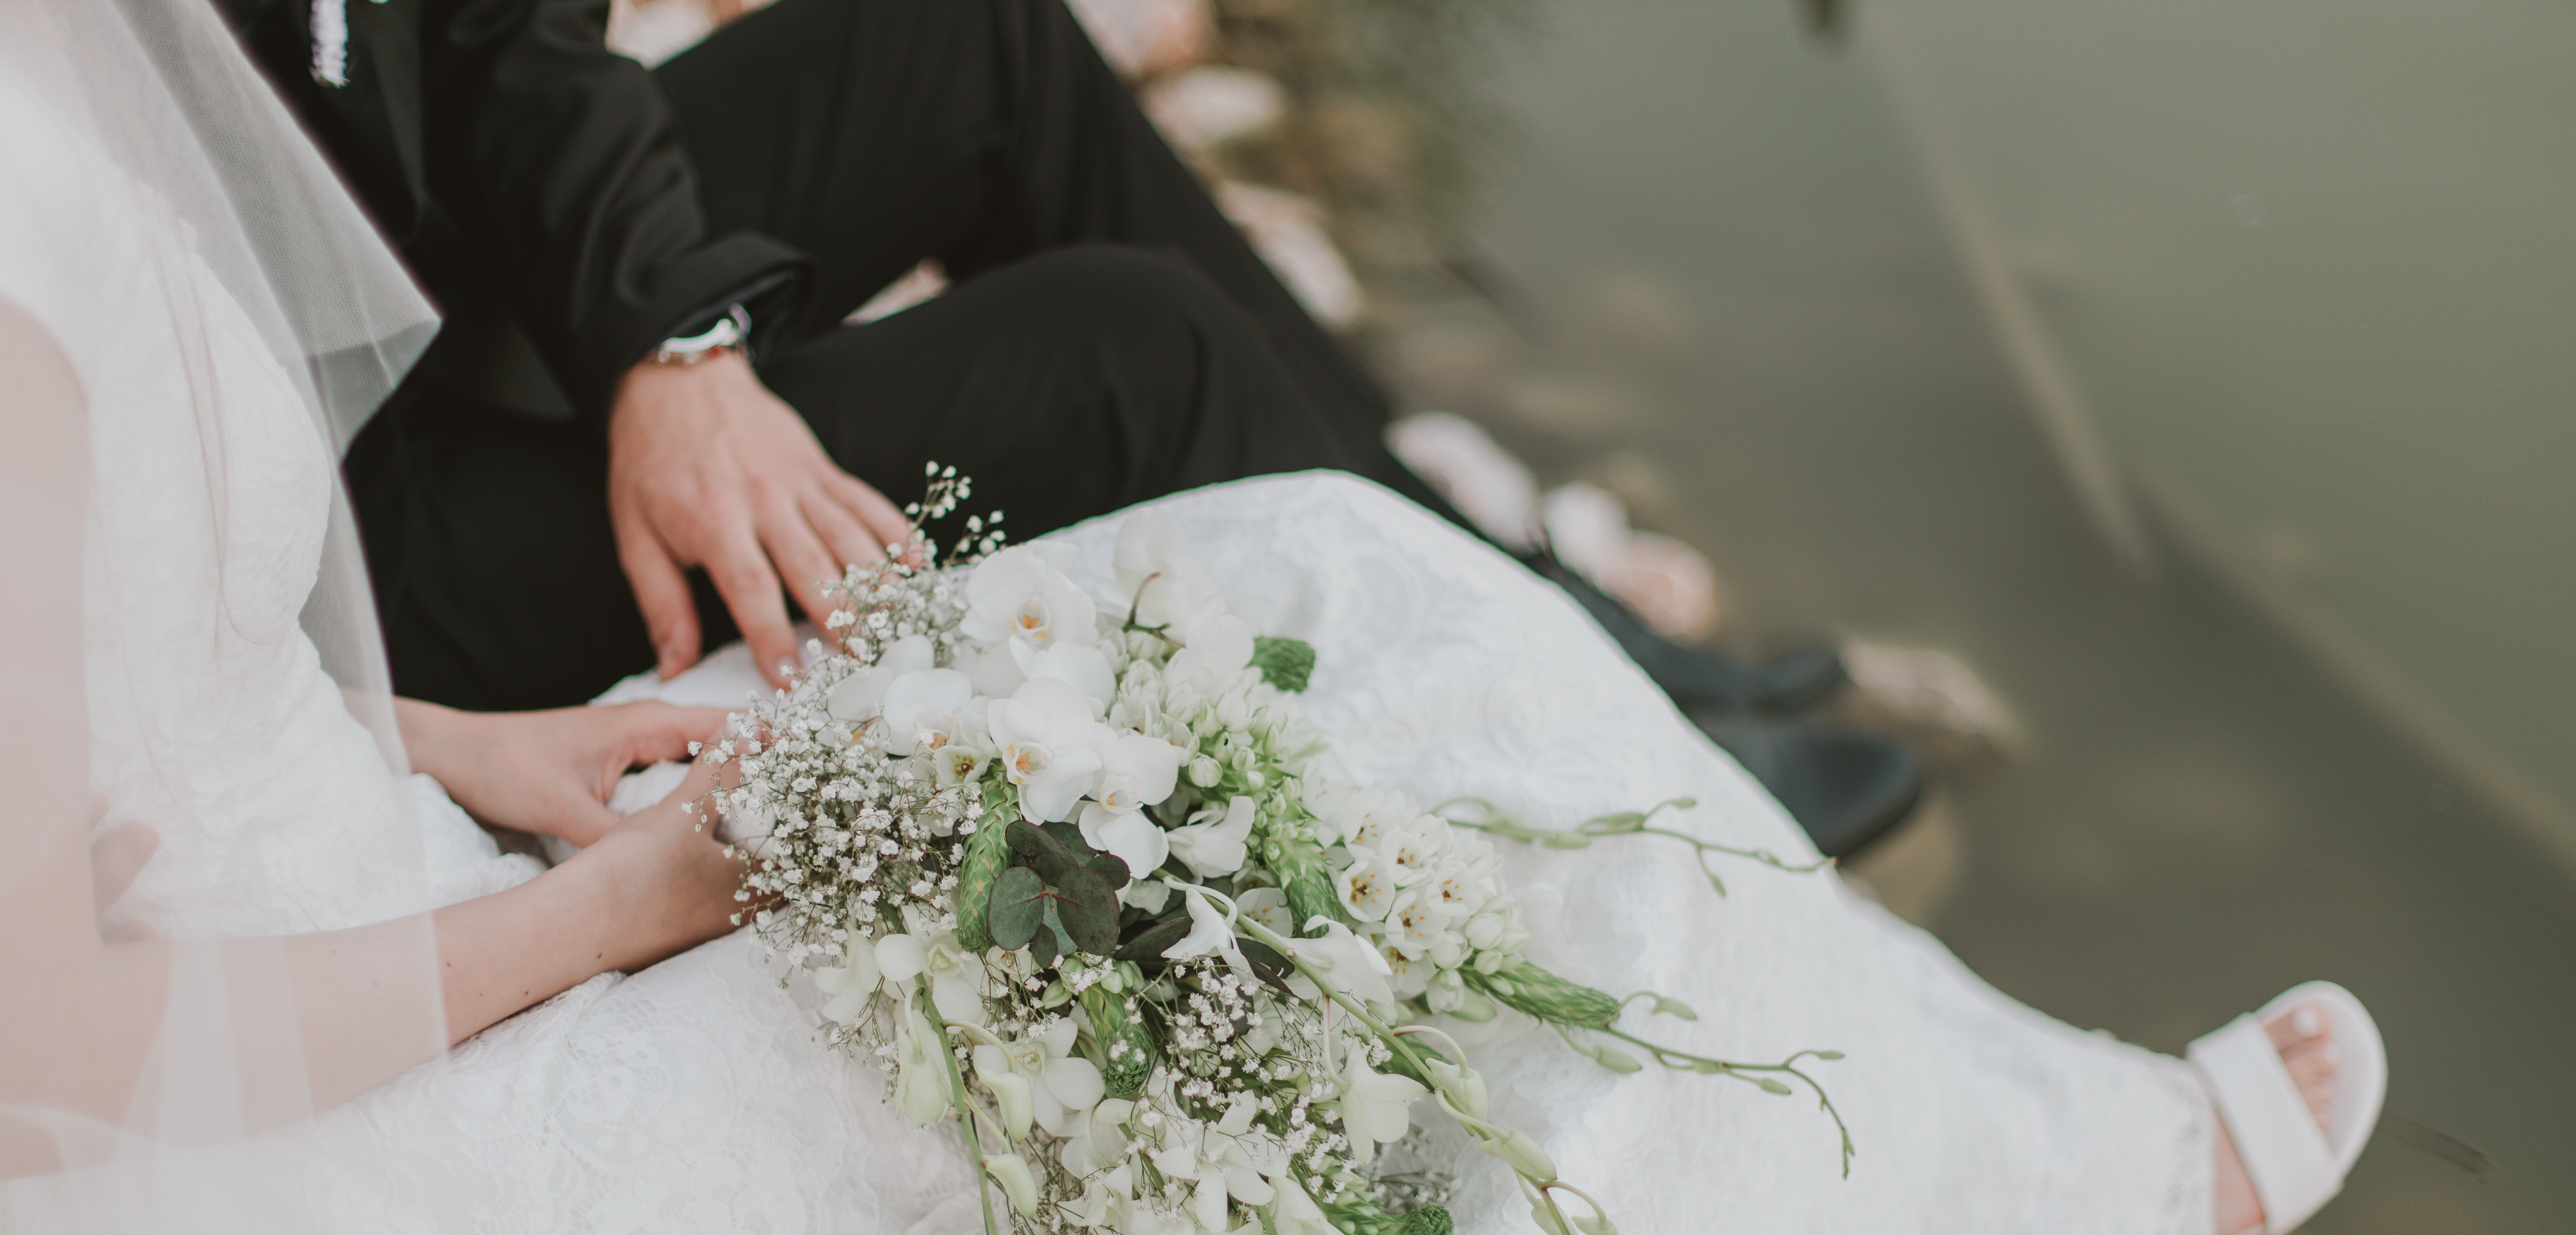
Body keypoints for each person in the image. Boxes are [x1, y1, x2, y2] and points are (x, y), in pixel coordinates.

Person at [0, 1, 2375, 1235]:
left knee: (1273, 643)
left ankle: (1959, 1107)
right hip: (276, 1105)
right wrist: (617, 908)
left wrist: (461, 743)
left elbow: (119, 666)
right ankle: (1947, 1200)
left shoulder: (58, 101)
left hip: (366, 798)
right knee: (1143, 850)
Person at [213, 0, 1922, 858]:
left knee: (972, 40)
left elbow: (489, 29)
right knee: (1132, 351)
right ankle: (1584, 762)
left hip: (409, 278)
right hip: (315, 535)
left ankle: (1521, 596)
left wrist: (674, 339)